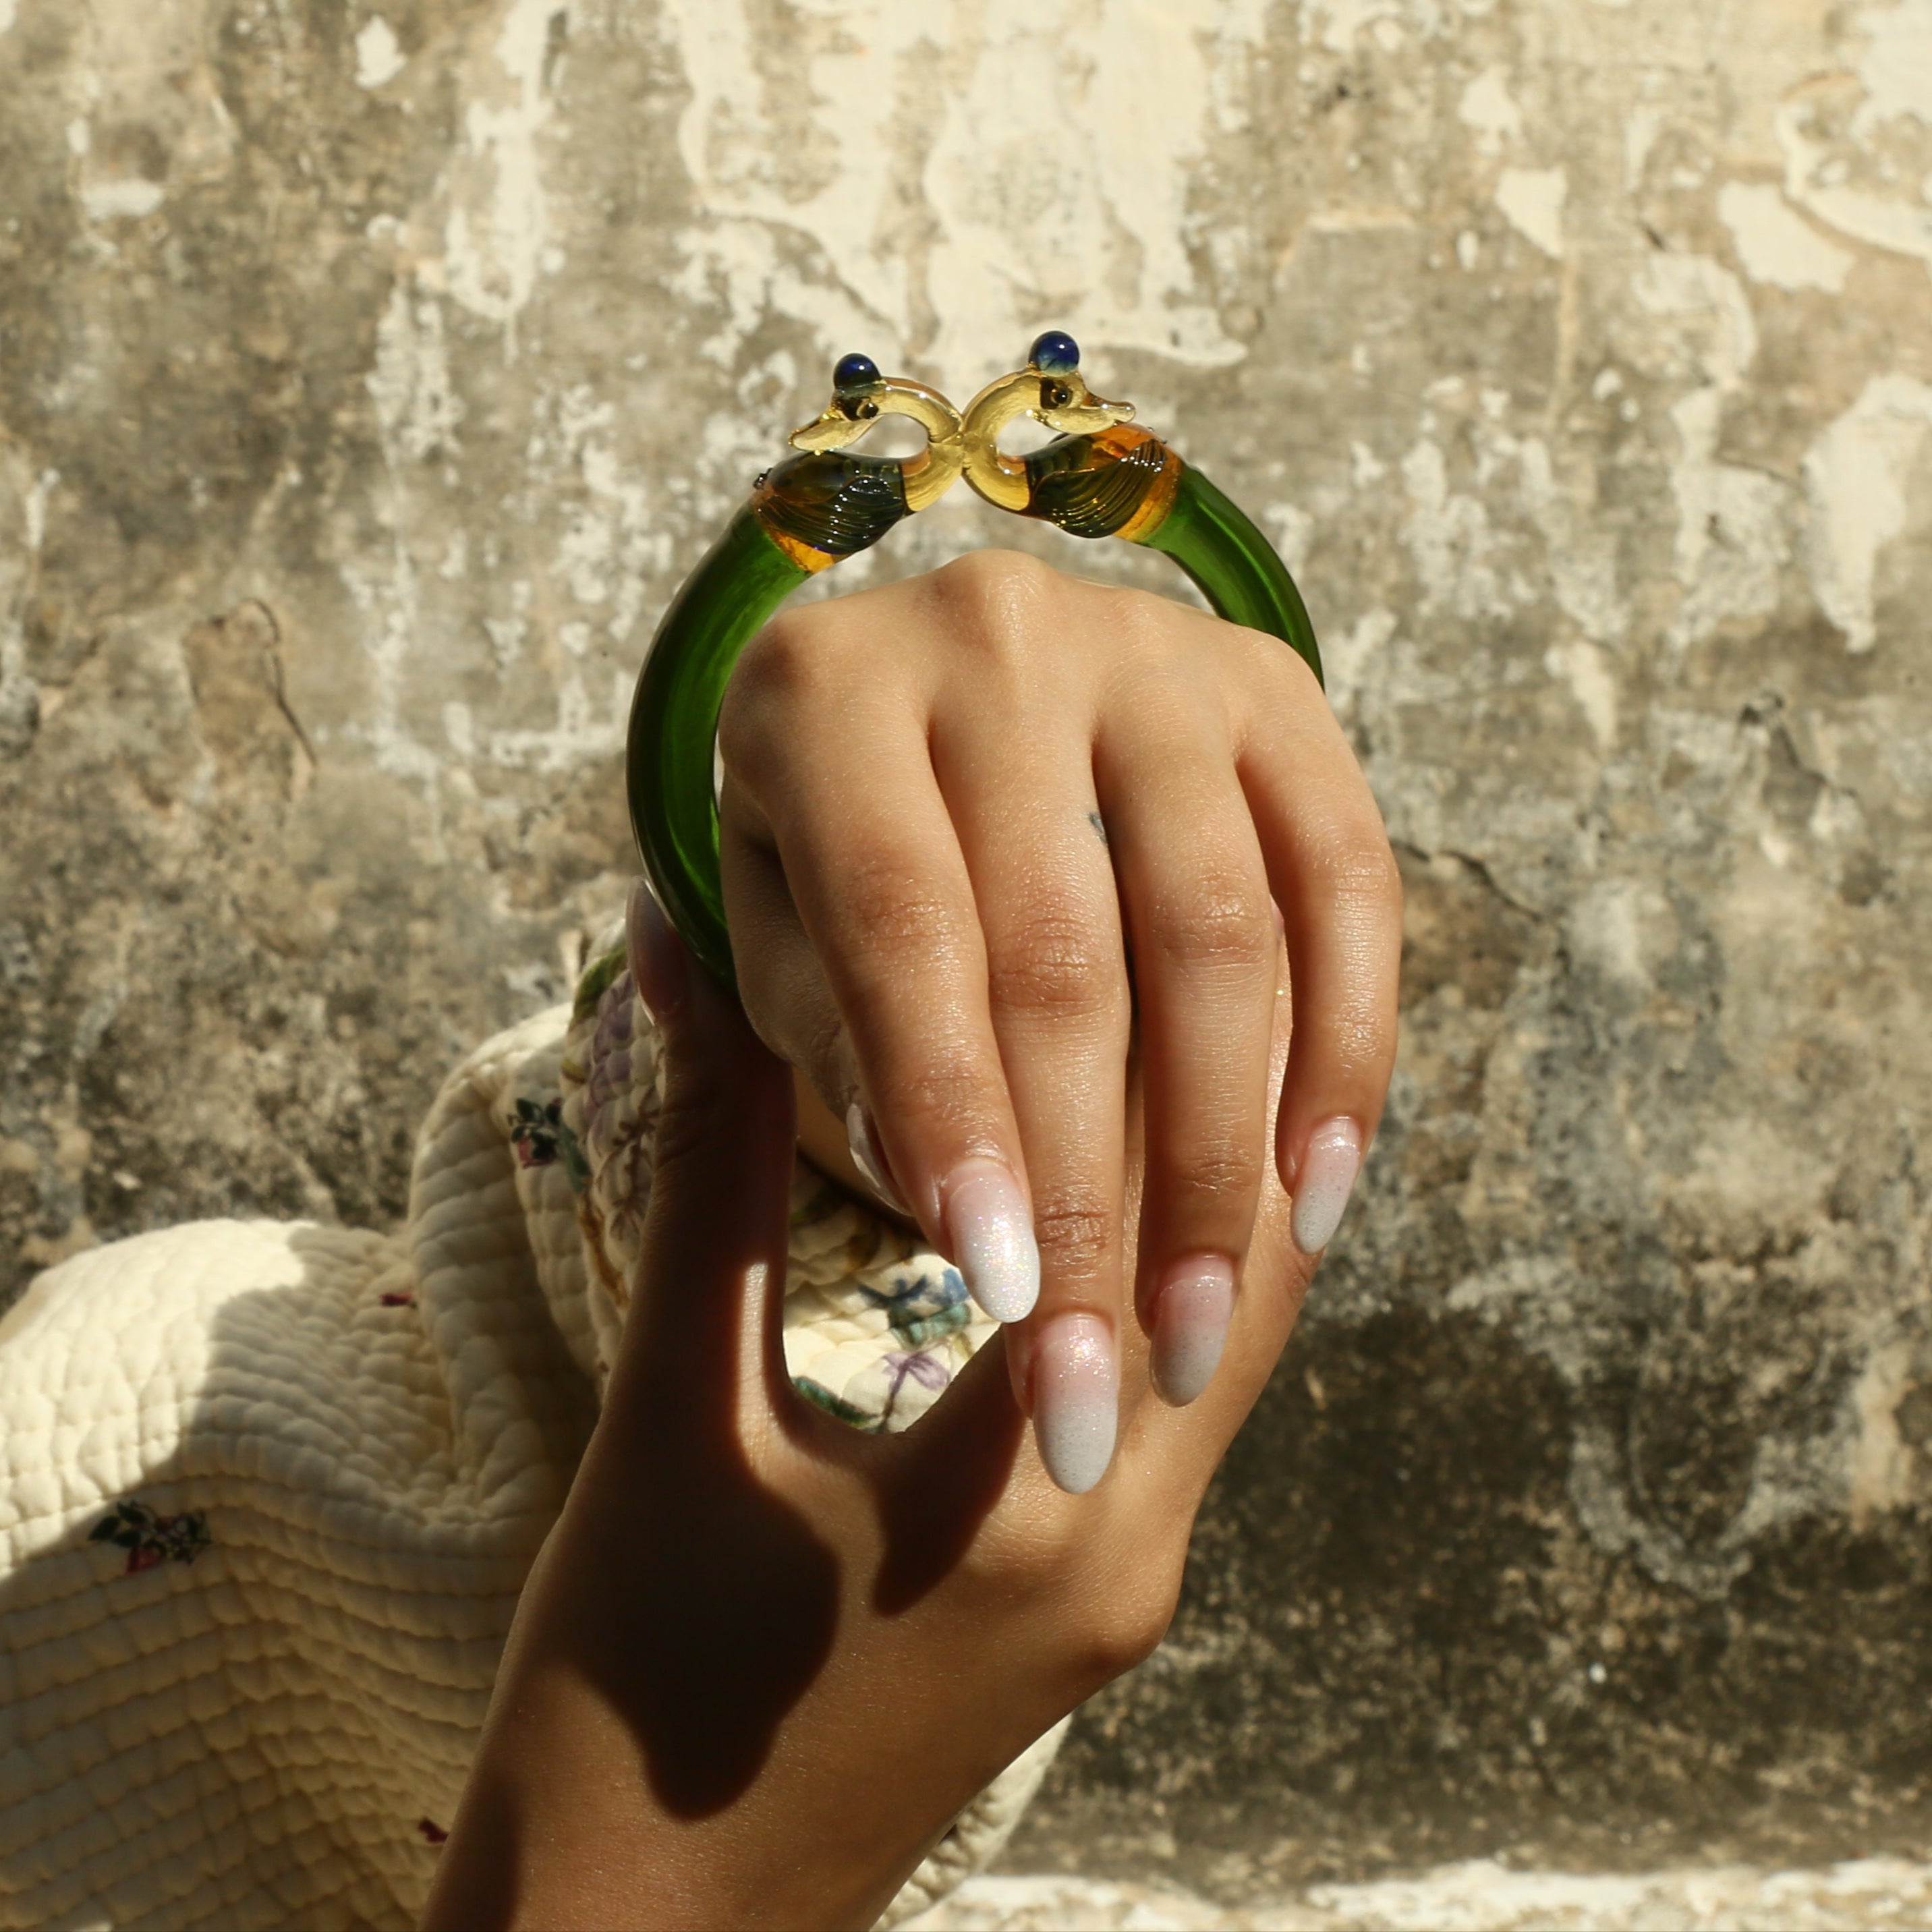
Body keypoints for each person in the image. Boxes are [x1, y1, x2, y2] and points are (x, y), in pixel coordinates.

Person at [0, 552, 1400, 1931]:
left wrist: (863, 1056)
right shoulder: (107, 1447)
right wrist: (693, 1882)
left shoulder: (260, 1415)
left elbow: (594, 1285)